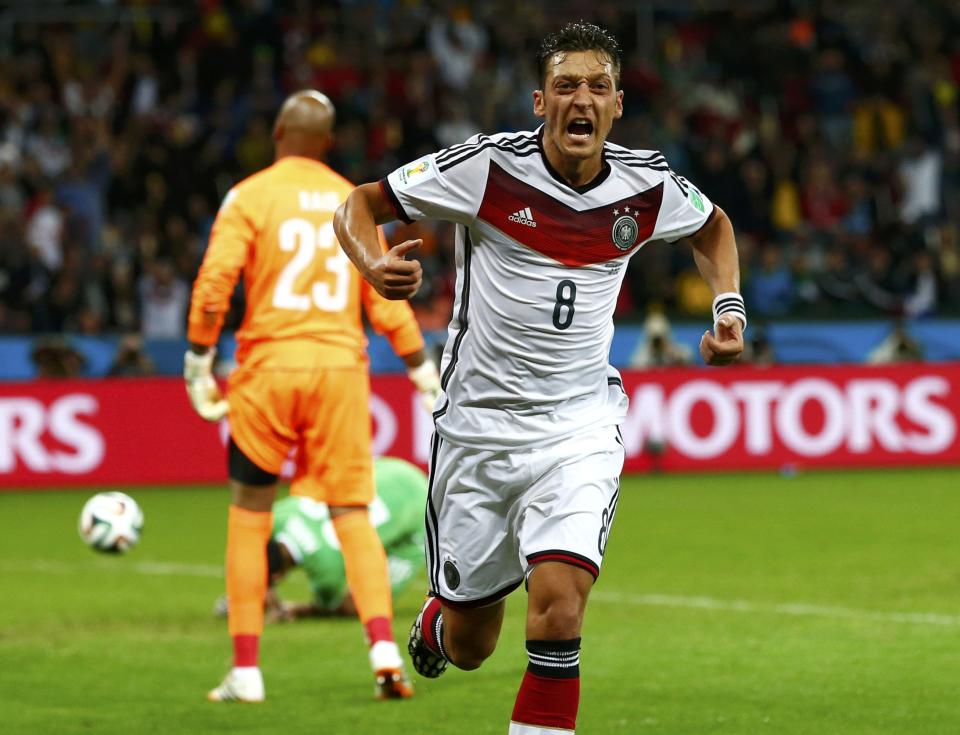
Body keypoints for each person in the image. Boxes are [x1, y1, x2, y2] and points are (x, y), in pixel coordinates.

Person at [334, 22, 745, 735]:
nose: (579, 99)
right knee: (472, 643)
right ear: (538, 101)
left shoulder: (646, 185)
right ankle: (437, 625)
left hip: (578, 427)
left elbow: (713, 229)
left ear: (617, 105)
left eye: (596, 86)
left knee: (559, 603)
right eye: (564, 85)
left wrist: (729, 307)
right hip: (478, 432)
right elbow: (358, 205)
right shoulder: (486, 170)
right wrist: (373, 265)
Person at [184, 90, 442, 703]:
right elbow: (385, 290)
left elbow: (216, 281)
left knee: (250, 517)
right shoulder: (351, 199)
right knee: (351, 514)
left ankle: (246, 671)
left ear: (276, 133)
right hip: (337, 373)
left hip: (267, 372)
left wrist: (198, 359)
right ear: (327, 143)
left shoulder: (248, 196)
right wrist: (419, 368)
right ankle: (384, 655)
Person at [214, 457, 428, 622]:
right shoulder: (281, 515)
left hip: (419, 510)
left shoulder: (326, 572)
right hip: (390, 471)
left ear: (278, 576)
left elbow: (344, 606)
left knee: (365, 604)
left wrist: (291, 609)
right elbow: (251, 534)